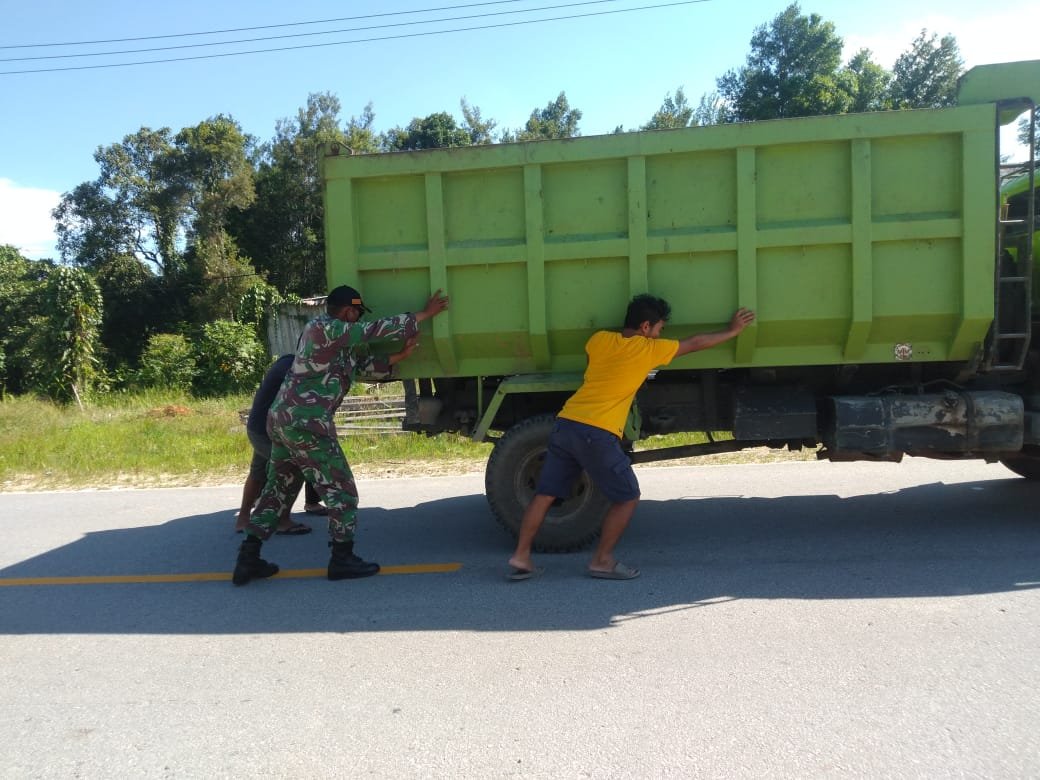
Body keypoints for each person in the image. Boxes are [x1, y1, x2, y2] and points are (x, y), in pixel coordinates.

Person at [507, 294, 755, 582]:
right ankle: (601, 560)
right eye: (660, 328)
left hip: (566, 423)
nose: (661, 334)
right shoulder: (648, 350)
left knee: (545, 493)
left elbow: (595, 366)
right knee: (627, 496)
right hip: (596, 432)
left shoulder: (598, 340)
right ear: (646, 326)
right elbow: (696, 343)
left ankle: (521, 555)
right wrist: (733, 331)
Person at [232, 284, 449, 586]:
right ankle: (342, 559)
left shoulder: (336, 345)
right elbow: (373, 331)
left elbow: (362, 367)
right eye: (357, 313)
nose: (359, 319)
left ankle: (248, 558)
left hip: (285, 421)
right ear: (349, 311)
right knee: (342, 491)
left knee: (277, 490)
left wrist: (400, 356)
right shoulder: (323, 327)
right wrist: (424, 314)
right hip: (306, 423)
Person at [234, 353, 326, 537]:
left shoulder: (288, 361)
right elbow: (304, 399)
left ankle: (243, 519)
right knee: (293, 467)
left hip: (260, 427)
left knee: (258, 472)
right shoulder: (293, 368)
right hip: (268, 430)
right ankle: (282, 520)